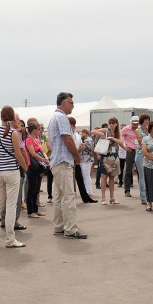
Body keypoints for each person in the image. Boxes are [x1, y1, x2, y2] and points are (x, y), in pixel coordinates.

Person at [0, 106, 28, 248]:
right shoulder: (13, 133)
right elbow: (18, 154)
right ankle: (10, 239)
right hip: (11, 171)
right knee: (11, 205)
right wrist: (25, 167)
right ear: (12, 117)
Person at [48, 92, 87, 239]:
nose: (73, 106)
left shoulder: (54, 117)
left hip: (56, 162)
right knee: (68, 196)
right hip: (63, 161)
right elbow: (68, 139)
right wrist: (77, 156)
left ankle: (59, 226)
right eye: (71, 103)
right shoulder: (62, 117)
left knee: (59, 197)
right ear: (64, 103)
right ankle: (70, 229)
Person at [92, 117, 126, 205]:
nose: (111, 124)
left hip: (114, 157)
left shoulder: (118, 133)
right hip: (105, 156)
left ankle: (112, 197)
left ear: (116, 124)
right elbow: (92, 131)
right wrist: (100, 134)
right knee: (104, 177)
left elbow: (121, 142)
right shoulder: (106, 130)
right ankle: (103, 198)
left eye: (113, 123)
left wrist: (113, 138)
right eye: (110, 123)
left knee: (112, 178)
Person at [69, 117, 98, 203]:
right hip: (76, 160)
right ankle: (83, 195)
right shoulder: (74, 137)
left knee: (83, 177)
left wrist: (80, 149)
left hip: (82, 160)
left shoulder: (81, 137)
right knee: (77, 178)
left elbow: (89, 148)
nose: (82, 134)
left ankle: (87, 194)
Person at [25, 122, 49, 218]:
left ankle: (35, 209)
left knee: (36, 189)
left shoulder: (37, 140)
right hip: (32, 166)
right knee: (31, 188)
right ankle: (30, 211)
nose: (39, 130)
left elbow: (42, 150)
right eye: (38, 129)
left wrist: (46, 157)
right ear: (33, 130)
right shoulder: (28, 140)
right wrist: (43, 159)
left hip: (39, 165)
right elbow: (33, 153)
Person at [121, 116, 139, 197]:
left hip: (139, 151)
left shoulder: (140, 129)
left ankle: (143, 191)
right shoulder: (126, 129)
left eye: (136, 124)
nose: (135, 126)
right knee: (128, 171)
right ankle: (127, 190)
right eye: (134, 124)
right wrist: (124, 147)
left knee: (140, 171)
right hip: (130, 151)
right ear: (131, 123)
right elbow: (119, 136)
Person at [134, 114, 150, 204]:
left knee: (149, 176)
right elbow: (140, 141)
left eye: (148, 119)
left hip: (149, 154)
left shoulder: (149, 130)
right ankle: (143, 197)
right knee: (142, 176)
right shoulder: (137, 130)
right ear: (142, 121)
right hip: (140, 154)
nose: (147, 121)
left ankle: (149, 195)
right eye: (145, 119)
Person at [79, 128, 95, 198]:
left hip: (87, 160)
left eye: (83, 132)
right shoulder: (84, 140)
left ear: (86, 133)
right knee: (84, 175)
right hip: (83, 160)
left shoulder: (89, 140)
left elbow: (91, 148)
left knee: (86, 175)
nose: (82, 134)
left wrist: (84, 145)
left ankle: (88, 190)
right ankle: (86, 190)